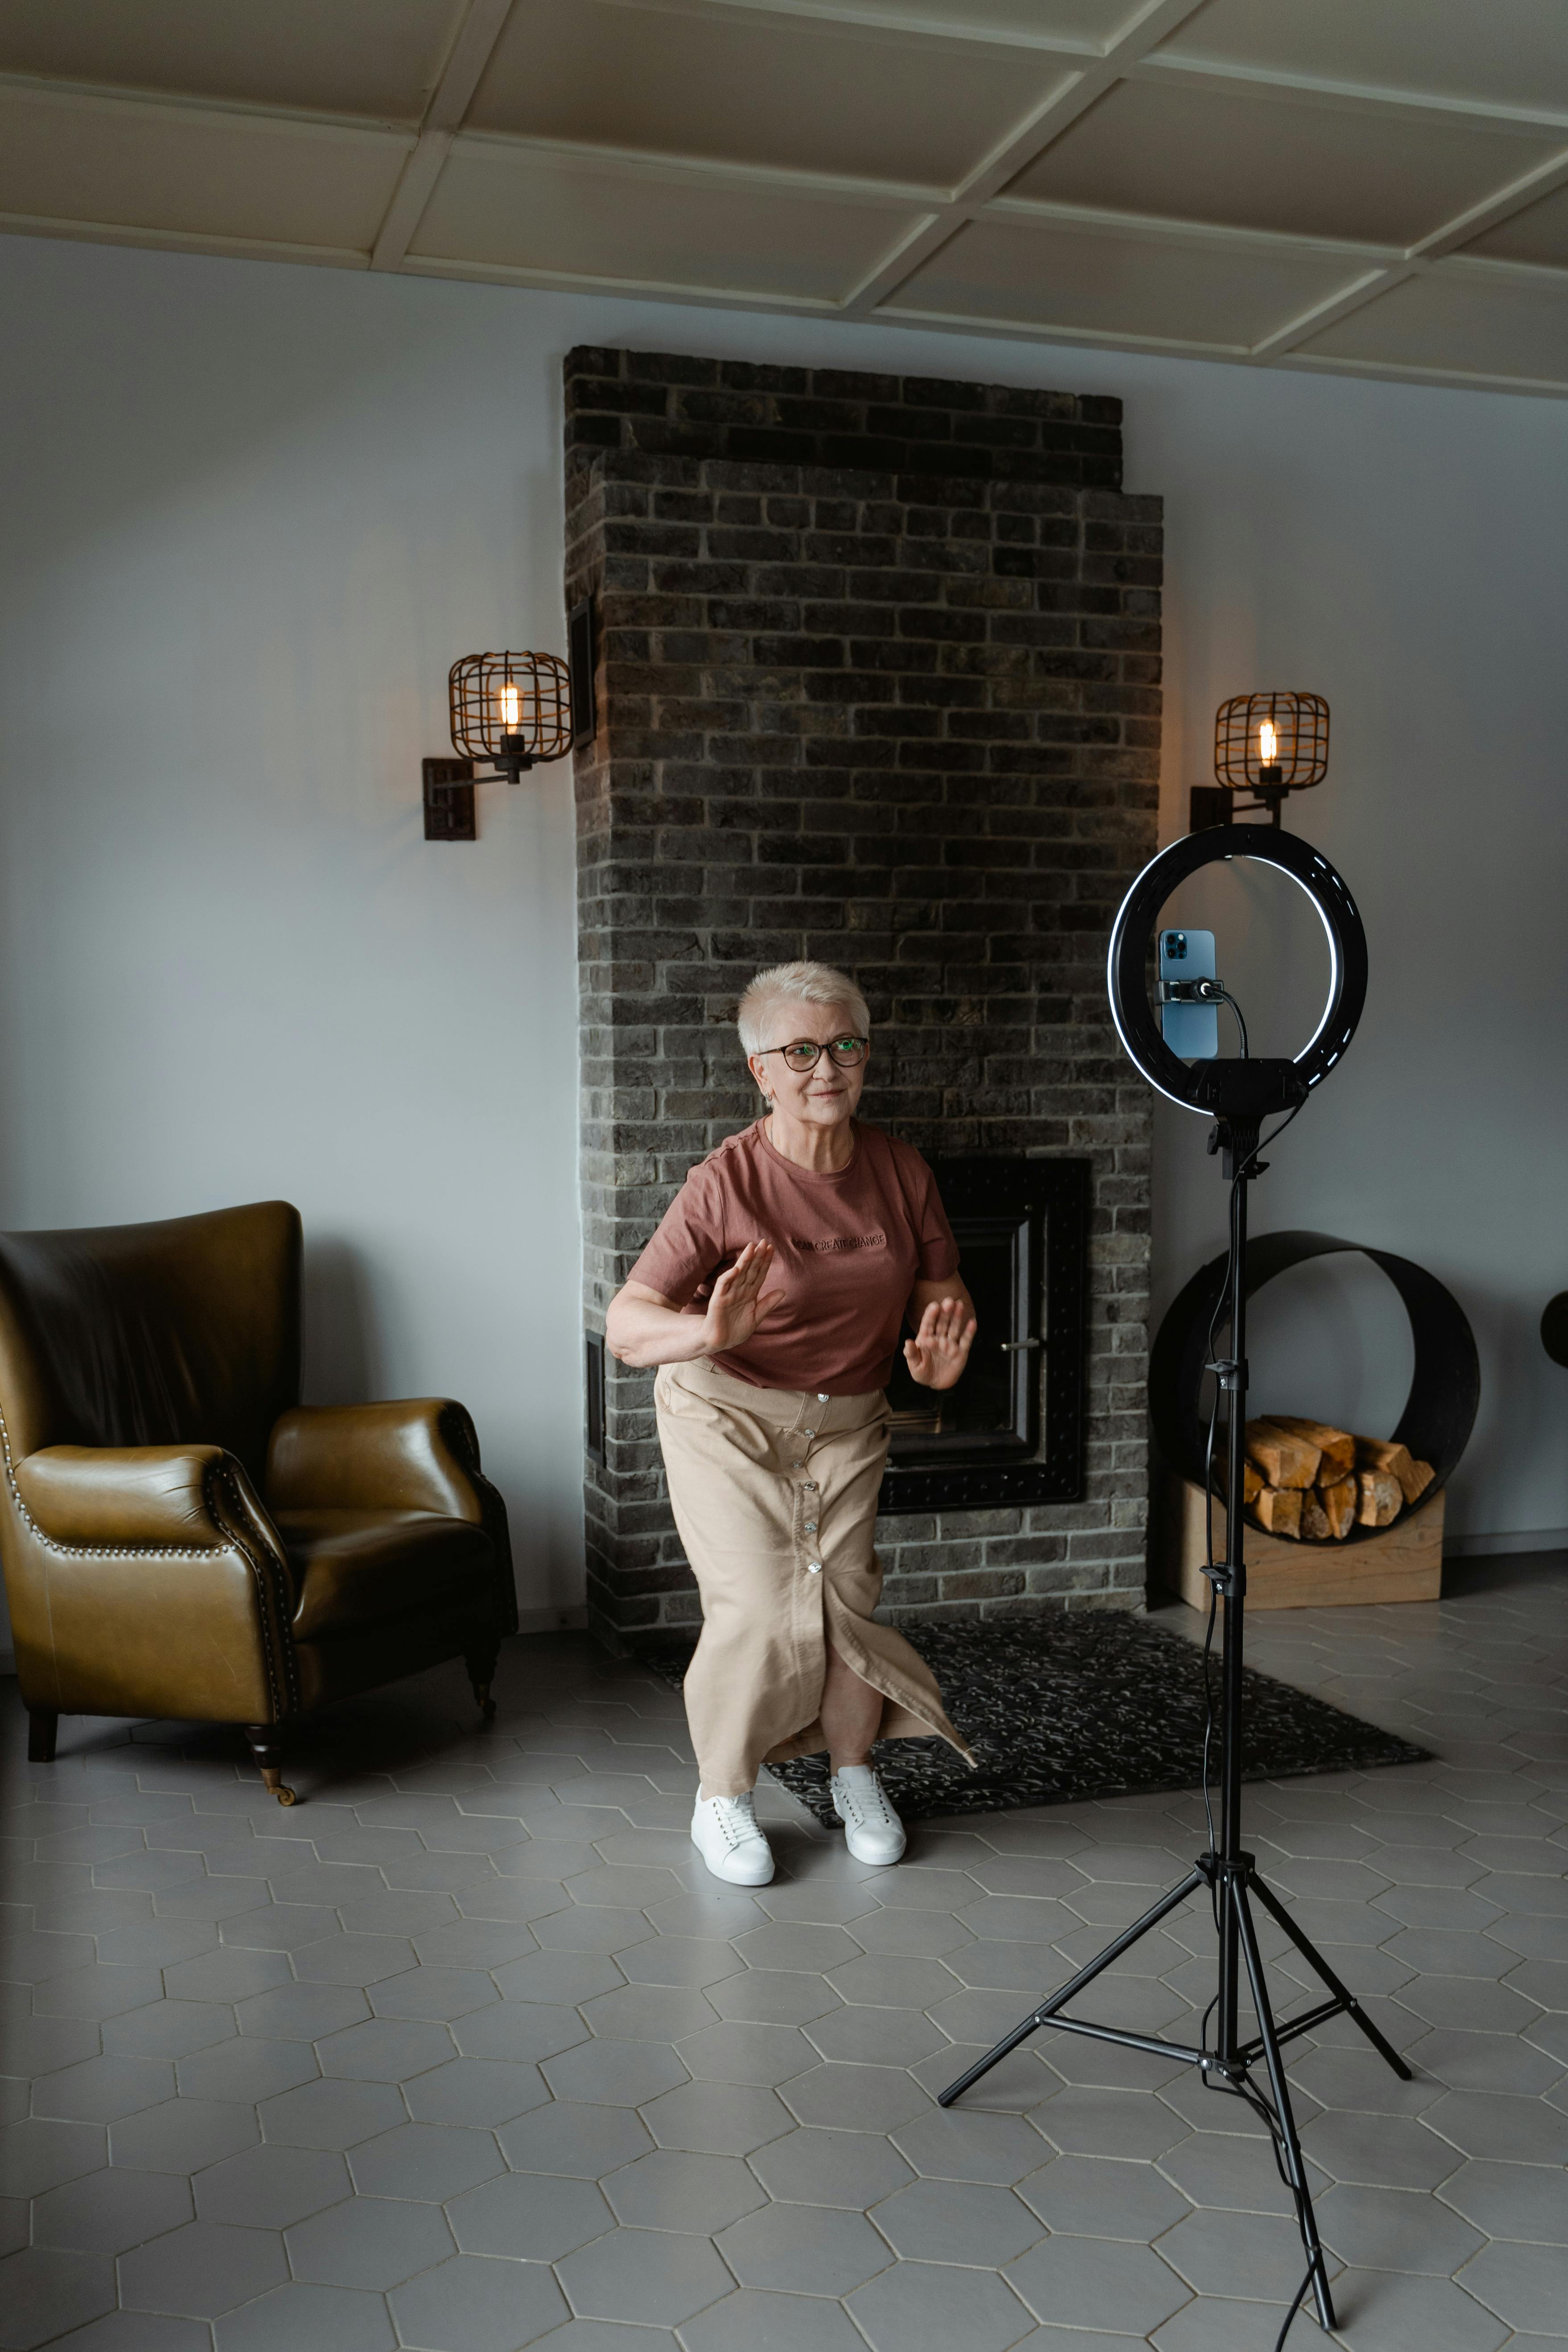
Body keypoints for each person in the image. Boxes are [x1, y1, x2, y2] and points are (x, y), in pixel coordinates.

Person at [605, 960, 978, 1886]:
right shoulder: (724, 1182)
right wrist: (707, 1328)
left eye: (845, 1044)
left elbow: (943, 1299)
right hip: (724, 1415)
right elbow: (626, 1324)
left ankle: (854, 1774)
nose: (827, 1067)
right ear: (760, 1072)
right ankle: (721, 1798)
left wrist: (942, 1360)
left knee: (843, 1601)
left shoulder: (900, 1170)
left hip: (847, 1422)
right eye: (800, 1050)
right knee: (762, 1607)